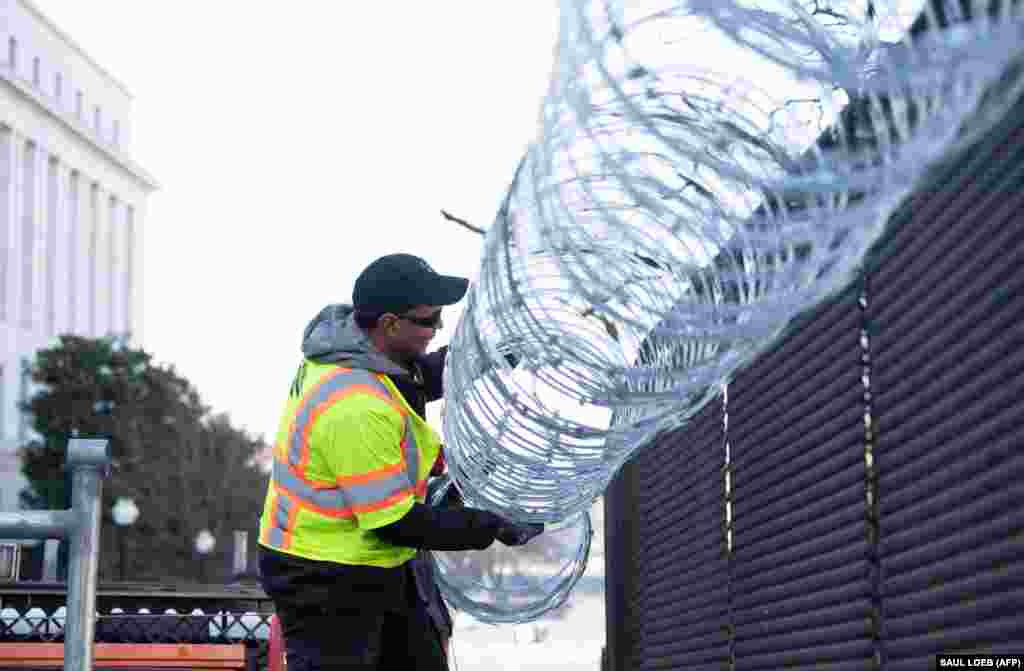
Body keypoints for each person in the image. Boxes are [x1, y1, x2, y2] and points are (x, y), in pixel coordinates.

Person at [258, 253, 543, 670]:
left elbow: (413, 379)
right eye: (428, 321)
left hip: (371, 560)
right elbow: (394, 522)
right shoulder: (356, 406)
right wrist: (492, 524)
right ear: (390, 323)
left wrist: (484, 358)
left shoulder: (351, 351)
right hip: (324, 577)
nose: (438, 328)